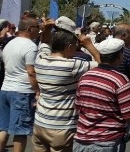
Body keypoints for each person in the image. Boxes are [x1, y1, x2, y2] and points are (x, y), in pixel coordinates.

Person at [32, 16, 101, 152]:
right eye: (75, 46)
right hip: (62, 127)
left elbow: (44, 42)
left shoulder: (40, 59)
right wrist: (89, 45)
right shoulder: (72, 66)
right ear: (69, 46)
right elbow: (103, 64)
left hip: (40, 123)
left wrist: (46, 29)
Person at [73, 38, 130, 152]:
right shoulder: (120, 80)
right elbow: (129, 115)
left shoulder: (85, 76)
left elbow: (78, 106)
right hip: (107, 141)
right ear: (119, 56)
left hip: (81, 140)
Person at [0, 16, 40, 152]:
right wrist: (38, 91)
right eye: (37, 28)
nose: (39, 31)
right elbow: (31, 72)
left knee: (3, 128)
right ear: (30, 29)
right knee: (21, 132)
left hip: (5, 89)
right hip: (22, 92)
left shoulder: (9, 43)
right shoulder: (30, 46)